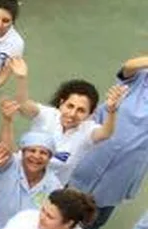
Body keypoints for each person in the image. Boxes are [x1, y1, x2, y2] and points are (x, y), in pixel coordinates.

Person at [66, 52, 148, 229]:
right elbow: (129, 66)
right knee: (68, 192)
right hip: (99, 144)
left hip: (129, 162)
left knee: (99, 212)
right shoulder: (139, 77)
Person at [8, 59, 122, 187]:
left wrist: (112, 111)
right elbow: (24, 105)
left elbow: (106, 133)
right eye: (70, 106)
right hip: (17, 177)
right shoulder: (47, 115)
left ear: (90, 114)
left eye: (81, 110)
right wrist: (21, 79)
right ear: (62, 103)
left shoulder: (87, 130)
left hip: (50, 190)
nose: (72, 114)